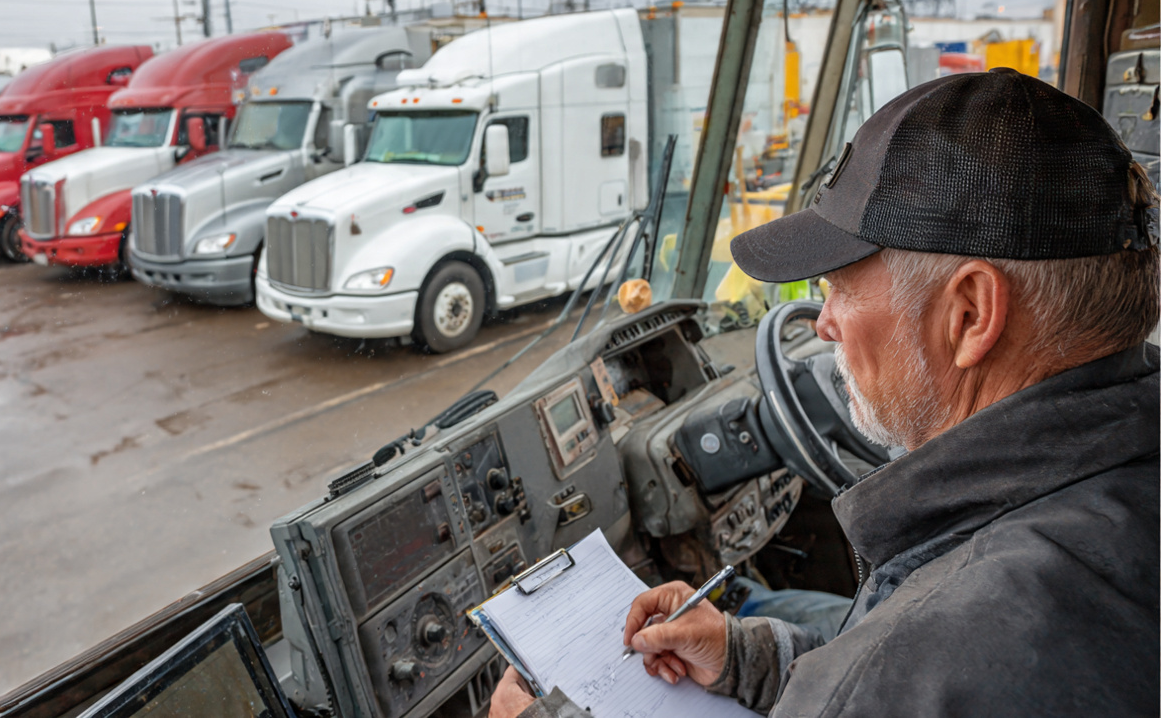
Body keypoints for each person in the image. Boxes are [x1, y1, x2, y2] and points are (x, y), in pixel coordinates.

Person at [489, 68, 1160, 718]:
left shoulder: (952, 639)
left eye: (840, 283)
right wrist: (747, 659)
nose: (826, 321)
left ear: (970, 315)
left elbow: (897, 677)